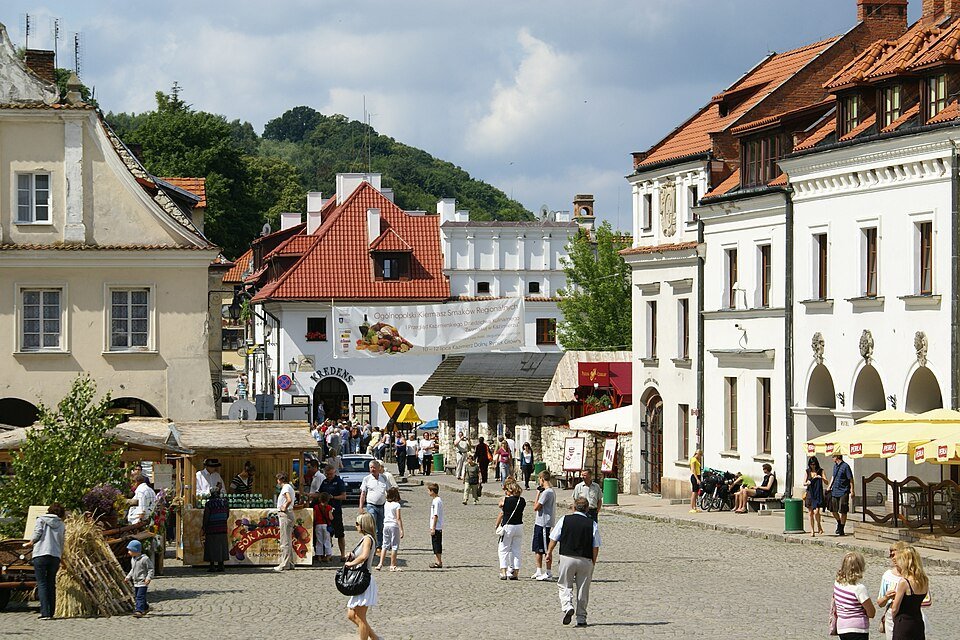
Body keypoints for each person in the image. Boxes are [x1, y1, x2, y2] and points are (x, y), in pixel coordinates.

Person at [547, 497, 600, 628]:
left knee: (564, 584)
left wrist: (549, 552)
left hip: (567, 557)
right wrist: (593, 561)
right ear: (587, 509)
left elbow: (554, 537)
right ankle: (581, 618)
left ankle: (567, 605)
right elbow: (595, 545)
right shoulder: (592, 524)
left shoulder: (565, 520)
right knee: (583, 589)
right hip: (585, 559)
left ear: (573, 507)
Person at [23, 503, 65, 620]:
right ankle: (51, 612)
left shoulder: (41, 520)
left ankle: (45, 613)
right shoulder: (61, 524)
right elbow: (62, 542)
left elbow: (37, 533)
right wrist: (60, 556)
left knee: (42, 584)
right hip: (55, 555)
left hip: (41, 554)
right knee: (51, 583)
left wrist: (31, 542)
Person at [345, 513, 379, 640]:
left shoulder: (368, 539)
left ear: (363, 525)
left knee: (360, 616)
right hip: (359, 579)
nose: (356, 526)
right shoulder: (364, 538)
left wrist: (351, 563)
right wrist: (352, 555)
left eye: (357, 523)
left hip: (364, 579)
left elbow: (364, 556)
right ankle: (375, 638)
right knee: (351, 614)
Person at [833, 551, 875, 639]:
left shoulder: (837, 583)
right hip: (857, 629)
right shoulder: (859, 589)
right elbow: (871, 613)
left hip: (842, 627)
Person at [890, 545, 929, 640]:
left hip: (904, 622)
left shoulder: (904, 582)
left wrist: (894, 619)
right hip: (918, 621)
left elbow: (895, 608)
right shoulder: (924, 580)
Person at [312, 464, 348, 560]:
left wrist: (333, 497)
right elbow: (319, 493)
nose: (329, 476)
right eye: (327, 474)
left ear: (334, 472)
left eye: (330, 474)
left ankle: (342, 554)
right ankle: (328, 553)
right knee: (327, 534)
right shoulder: (324, 482)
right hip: (325, 512)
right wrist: (310, 495)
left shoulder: (339, 482)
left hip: (335, 510)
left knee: (340, 533)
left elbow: (344, 496)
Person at [495, 480, 525, 580]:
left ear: (510, 490)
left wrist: (497, 525)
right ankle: (515, 572)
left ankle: (503, 572)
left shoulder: (506, 500)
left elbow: (501, 508)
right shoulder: (522, 501)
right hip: (519, 526)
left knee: (503, 549)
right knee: (516, 550)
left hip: (508, 527)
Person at [359, 460, 389, 550]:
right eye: (371, 468)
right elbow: (363, 494)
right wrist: (361, 506)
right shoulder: (367, 479)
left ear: (378, 468)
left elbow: (389, 491)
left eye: (374, 468)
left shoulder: (384, 478)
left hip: (382, 506)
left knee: (380, 526)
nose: (372, 469)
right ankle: (372, 544)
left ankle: (379, 545)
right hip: (371, 505)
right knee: (372, 525)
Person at [532, 470, 556, 581]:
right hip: (539, 522)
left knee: (546, 548)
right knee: (538, 548)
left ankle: (548, 571)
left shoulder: (547, 492)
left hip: (544, 523)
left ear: (542, 479)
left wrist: (537, 494)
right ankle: (538, 570)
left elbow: (536, 507)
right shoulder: (548, 491)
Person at [202, 486, 230, 572]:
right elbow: (227, 514)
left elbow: (206, 516)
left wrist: (204, 526)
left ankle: (212, 565)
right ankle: (221, 565)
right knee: (222, 546)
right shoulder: (225, 503)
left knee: (211, 547)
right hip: (222, 527)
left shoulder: (209, 504)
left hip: (212, 528)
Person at [124, 539, 154, 618]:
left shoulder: (145, 559)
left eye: (130, 550)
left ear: (136, 550)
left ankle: (139, 610)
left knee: (139, 596)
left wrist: (148, 578)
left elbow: (150, 569)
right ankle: (146, 607)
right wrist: (128, 577)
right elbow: (132, 569)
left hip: (143, 581)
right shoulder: (133, 559)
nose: (128, 552)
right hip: (136, 582)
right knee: (138, 595)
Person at [827, 454, 855, 536]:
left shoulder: (845, 466)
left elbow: (851, 479)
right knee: (833, 509)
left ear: (837, 457)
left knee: (843, 510)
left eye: (833, 456)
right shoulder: (835, 466)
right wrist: (829, 486)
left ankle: (842, 527)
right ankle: (839, 523)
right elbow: (833, 477)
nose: (832, 458)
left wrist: (852, 490)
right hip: (835, 490)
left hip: (843, 491)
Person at [377, 487, 404, 571]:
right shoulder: (397, 505)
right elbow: (398, 518)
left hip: (386, 525)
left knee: (385, 545)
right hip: (394, 525)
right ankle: (392, 565)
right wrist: (401, 529)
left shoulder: (386, 504)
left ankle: (380, 563)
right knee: (394, 545)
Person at [274, 472, 296, 572]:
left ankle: (284, 564)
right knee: (288, 540)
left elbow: (289, 499)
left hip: (285, 514)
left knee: (284, 541)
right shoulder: (289, 486)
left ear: (280, 480)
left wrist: (284, 506)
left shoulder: (286, 487)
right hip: (289, 514)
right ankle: (290, 562)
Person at [803, 456, 826, 537]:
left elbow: (826, 481)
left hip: (818, 493)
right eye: (811, 464)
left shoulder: (821, 471)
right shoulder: (807, 471)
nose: (813, 466)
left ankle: (819, 525)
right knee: (810, 513)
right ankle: (812, 530)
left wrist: (821, 478)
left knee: (816, 512)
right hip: (810, 493)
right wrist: (808, 482)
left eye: (814, 464)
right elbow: (804, 483)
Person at [426, 482, 444, 568]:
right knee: (435, 544)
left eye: (429, 491)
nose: (428, 492)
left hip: (437, 527)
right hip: (436, 526)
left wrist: (433, 527)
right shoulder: (436, 500)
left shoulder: (436, 501)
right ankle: (438, 560)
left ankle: (439, 561)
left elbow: (436, 515)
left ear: (433, 491)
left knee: (437, 545)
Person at [314, 492, 335, 563]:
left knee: (319, 541)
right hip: (326, 525)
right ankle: (328, 556)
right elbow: (331, 518)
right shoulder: (329, 507)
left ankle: (319, 556)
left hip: (318, 525)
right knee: (327, 541)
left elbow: (314, 517)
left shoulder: (316, 507)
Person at [689, 449, 702, 514]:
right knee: (694, 492)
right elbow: (693, 469)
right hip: (695, 476)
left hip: (698, 476)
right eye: (700, 455)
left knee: (696, 492)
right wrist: (697, 479)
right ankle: (692, 507)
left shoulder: (697, 460)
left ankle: (695, 507)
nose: (700, 456)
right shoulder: (693, 459)